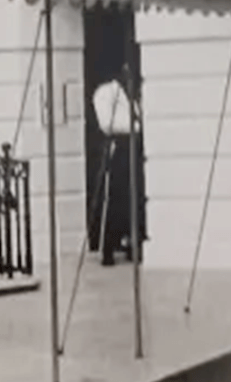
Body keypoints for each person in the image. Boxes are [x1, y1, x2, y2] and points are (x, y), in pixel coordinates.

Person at [91, 66, 146, 266]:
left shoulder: (135, 95)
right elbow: (107, 123)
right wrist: (137, 127)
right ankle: (107, 247)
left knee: (136, 197)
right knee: (114, 197)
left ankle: (132, 242)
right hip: (119, 146)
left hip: (135, 147)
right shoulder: (106, 93)